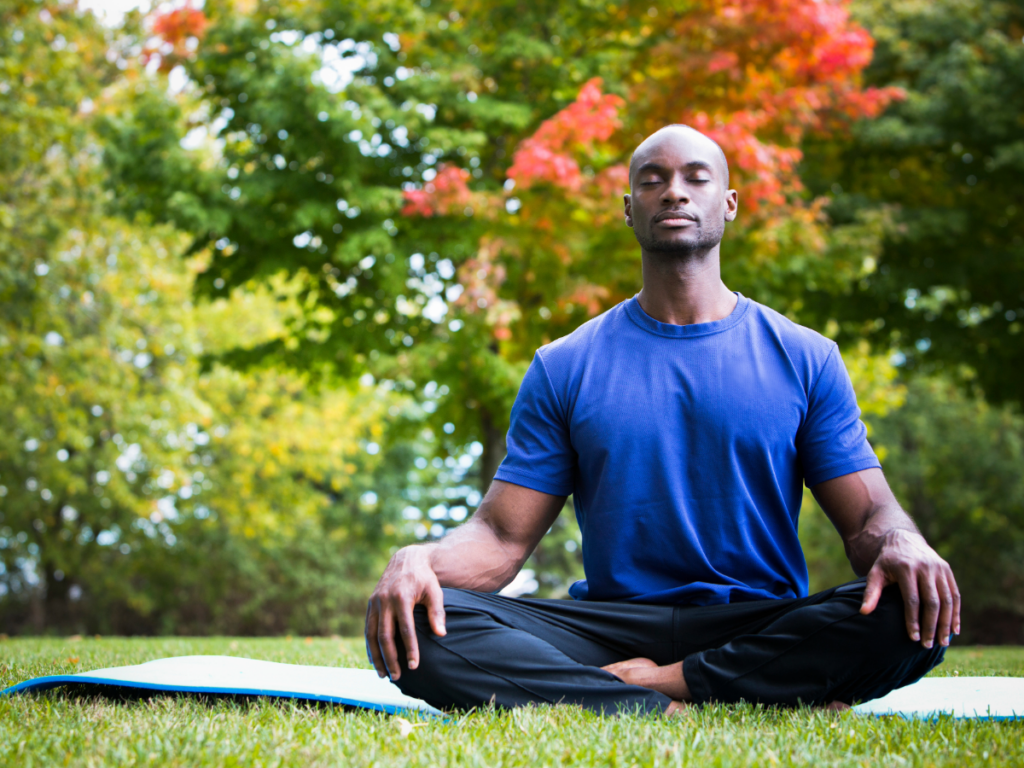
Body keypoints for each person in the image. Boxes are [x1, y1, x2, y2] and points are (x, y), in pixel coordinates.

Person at [364, 124, 959, 715]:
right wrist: (420, 559)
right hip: (609, 625)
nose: (674, 192)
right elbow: (500, 539)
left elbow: (867, 522)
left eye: (696, 179)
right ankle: (720, 694)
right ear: (630, 209)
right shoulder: (565, 364)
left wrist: (903, 541)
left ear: (728, 204)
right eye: (653, 181)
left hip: (756, 619)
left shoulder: (805, 357)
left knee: (910, 605)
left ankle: (658, 686)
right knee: (417, 621)